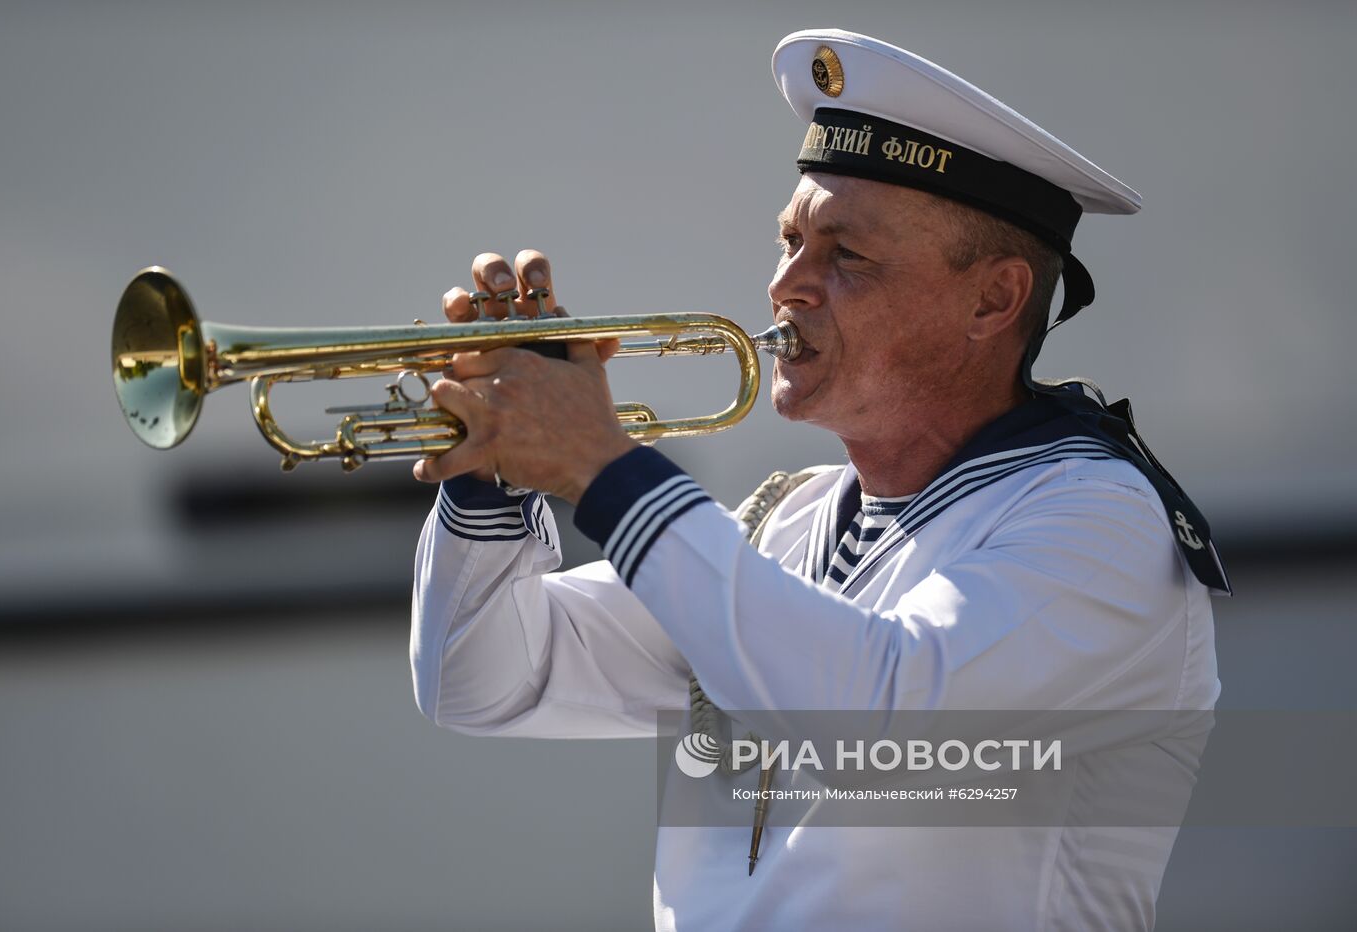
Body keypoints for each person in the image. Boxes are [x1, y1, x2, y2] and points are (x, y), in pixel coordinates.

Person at [409, 28, 1228, 931]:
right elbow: (476, 679)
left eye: (847, 257)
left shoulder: (1098, 520)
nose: (787, 287)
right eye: (789, 242)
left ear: (993, 300)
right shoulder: (781, 524)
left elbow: (885, 717)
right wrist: (489, 472)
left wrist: (606, 469)